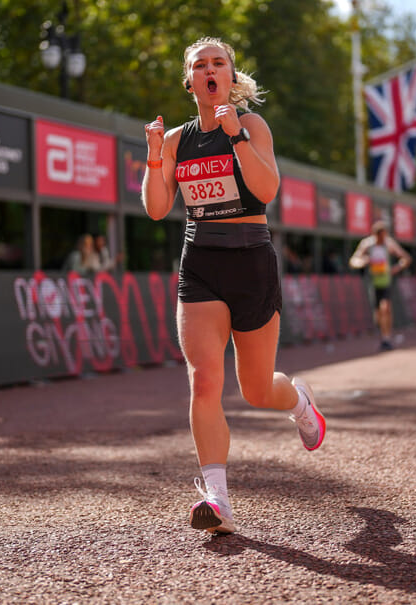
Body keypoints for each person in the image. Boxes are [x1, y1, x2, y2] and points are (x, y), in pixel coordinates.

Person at [141, 37, 325, 535]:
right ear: (190, 81)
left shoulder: (252, 126)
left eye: (218, 62)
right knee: (203, 380)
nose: (209, 70)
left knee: (258, 389)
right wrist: (156, 156)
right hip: (200, 262)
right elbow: (158, 208)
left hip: (251, 262)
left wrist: (235, 135)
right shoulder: (179, 140)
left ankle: (301, 404)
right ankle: (216, 498)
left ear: (231, 74)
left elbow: (267, 190)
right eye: (199, 65)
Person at [349, 220, 412, 350]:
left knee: (386, 308)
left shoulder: (389, 243)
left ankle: (386, 338)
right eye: (379, 236)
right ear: (374, 234)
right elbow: (353, 260)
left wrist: (397, 268)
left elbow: (406, 258)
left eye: (383, 236)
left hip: (387, 281)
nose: (381, 239)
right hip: (373, 282)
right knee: (378, 313)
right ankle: (383, 332)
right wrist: (363, 262)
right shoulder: (367, 244)